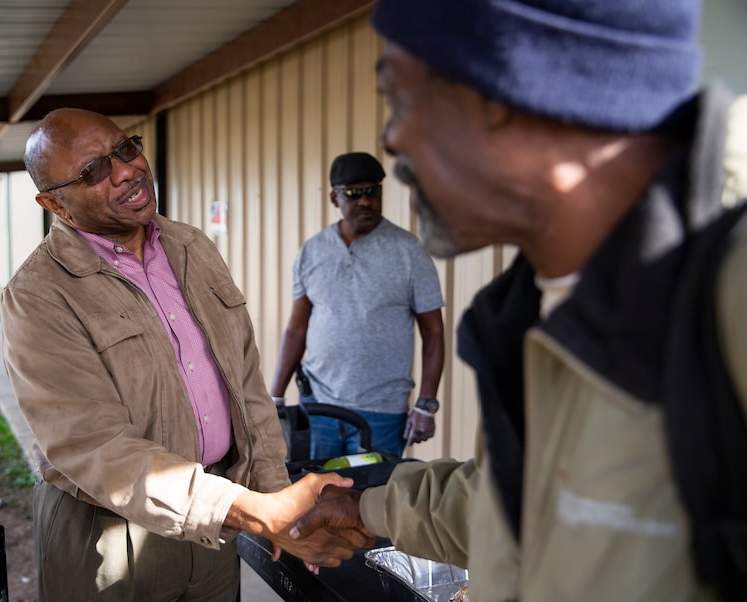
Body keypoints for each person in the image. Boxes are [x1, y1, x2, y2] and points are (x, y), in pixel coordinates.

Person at [291, 1, 747, 600]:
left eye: (398, 98)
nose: (391, 138)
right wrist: (368, 509)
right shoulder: (533, 309)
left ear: (499, 91)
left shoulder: (730, 297)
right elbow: (517, 502)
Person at [1, 108, 370, 602]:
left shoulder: (192, 247)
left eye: (126, 149)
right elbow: (95, 447)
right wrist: (250, 511)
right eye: (94, 171)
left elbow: (248, 390)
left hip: (214, 529)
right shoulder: (38, 295)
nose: (127, 171)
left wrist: (282, 502)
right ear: (56, 205)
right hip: (110, 541)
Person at [270, 151, 445, 459]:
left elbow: (433, 332)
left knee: (369, 501)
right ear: (335, 199)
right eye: (353, 194)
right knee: (316, 497)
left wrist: (426, 404)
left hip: (381, 413)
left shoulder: (409, 252)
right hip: (319, 407)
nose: (365, 201)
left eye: (372, 191)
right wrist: (276, 394)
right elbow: (297, 328)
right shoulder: (312, 252)